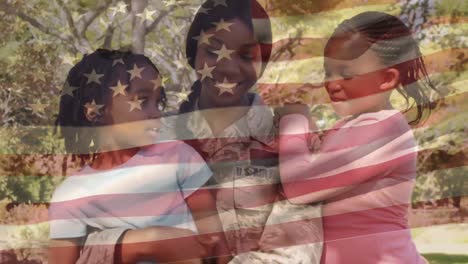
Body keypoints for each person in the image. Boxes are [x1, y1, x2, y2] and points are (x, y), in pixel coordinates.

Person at [278, 11, 440, 264]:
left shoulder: (385, 130)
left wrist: (294, 122)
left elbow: (299, 187)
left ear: (387, 79)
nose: (331, 83)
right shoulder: (350, 127)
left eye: (346, 74)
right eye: (327, 72)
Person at [171, 0, 323, 263]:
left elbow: (294, 252)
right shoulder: (156, 138)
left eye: (245, 56)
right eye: (213, 51)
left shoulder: (289, 141)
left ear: (262, 64)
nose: (227, 66)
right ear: (193, 51)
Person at [48, 49, 223, 264]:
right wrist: (142, 244)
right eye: (142, 101)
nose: (155, 113)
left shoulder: (177, 156)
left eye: (158, 102)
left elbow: (215, 242)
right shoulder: (71, 194)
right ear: (94, 111)